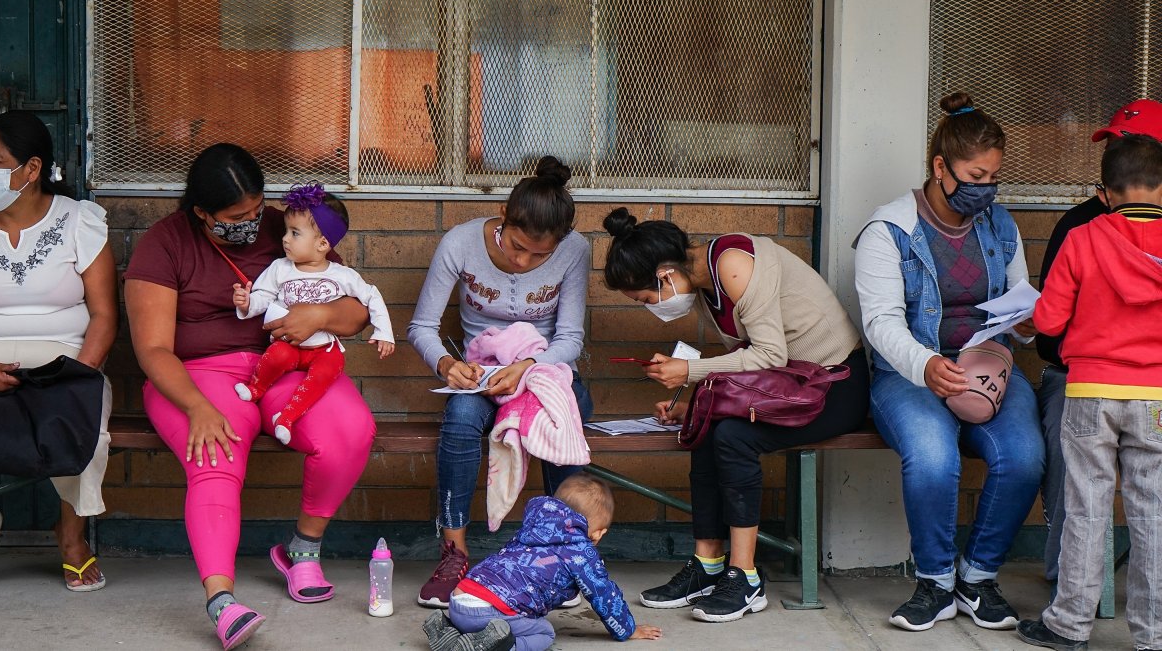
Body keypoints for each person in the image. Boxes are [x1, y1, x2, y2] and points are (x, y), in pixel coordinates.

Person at [123, 144, 376, 650]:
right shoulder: (165, 243)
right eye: (237, 217)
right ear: (202, 213)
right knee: (215, 450)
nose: (253, 223)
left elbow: (357, 310)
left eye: (258, 210)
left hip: (287, 361)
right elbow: (152, 349)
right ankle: (222, 601)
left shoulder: (293, 228)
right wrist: (197, 406)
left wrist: (320, 317)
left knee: (350, 429)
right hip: (197, 375)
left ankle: (302, 551)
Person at [601, 206, 869, 623]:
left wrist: (689, 373)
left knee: (733, 438)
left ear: (666, 275)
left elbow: (769, 355)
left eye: (646, 299)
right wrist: (697, 403)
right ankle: (708, 564)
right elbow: (750, 365)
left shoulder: (733, 265)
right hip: (794, 387)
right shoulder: (707, 286)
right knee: (706, 426)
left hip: (834, 385)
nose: (651, 307)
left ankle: (745, 576)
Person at [854, 92, 1045, 632]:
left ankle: (978, 577)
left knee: (1025, 456)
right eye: (975, 175)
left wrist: (1026, 326)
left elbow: (1018, 297)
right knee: (933, 458)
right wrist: (926, 365)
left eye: (994, 177)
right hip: (910, 375)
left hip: (988, 367)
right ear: (940, 167)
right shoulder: (888, 230)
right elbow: (881, 323)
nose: (986, 188)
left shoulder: (1000, 226)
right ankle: (935, 583)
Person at [408, 156, 593, 608]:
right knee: (461, 416)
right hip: (482, 374)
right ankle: (454, 554)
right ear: (503, 220)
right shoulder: (460, 243)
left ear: (562, 242)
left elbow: (569, 338)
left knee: (563, 413)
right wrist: (445, 365)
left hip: (545, 371)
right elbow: (422, 328)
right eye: (516, 245)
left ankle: (562, 556)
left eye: (539, 255)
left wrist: (529, 367)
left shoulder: (576, 250)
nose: (522, 260)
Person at [1016, 134, 1162, 651]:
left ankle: (1069, 626)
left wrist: (1028, 322)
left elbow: (1050, 320)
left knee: (1086, 509)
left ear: (1105, 191)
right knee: (1153, 513)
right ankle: (1152, 636)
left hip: (1091, 391)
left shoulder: (1083, 238)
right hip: (1156, 397)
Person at [0, 111, 117, 591]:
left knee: (83, 420)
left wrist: (76, 375)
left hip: (65, 361)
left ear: (31, 169)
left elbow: (105, 315)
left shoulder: (78, 220)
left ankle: (71, 536)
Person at [421, 473, 663, 650]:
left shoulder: (533, 528)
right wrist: (627, 629)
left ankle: (451, 633)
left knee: (493, 618)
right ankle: (494, 647)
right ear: (598, 533)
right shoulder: (581, 551)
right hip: (490, 612)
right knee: (544, 632)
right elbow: (603, 593)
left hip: (459, 600)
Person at [232, 182, 394, 446]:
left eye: (295, 233)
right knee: (276, 356)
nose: (285, 238)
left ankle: (287, 418)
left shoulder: (341, 275)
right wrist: (246, 303)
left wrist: (384, 332)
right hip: (289, 344)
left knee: (329, 370)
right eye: (286, 231)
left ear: (322, 244)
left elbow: (371, 296)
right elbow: (264, 295)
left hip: (323, 348)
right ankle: (256, 388)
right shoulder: (280, 268)